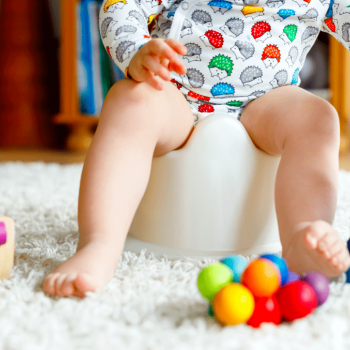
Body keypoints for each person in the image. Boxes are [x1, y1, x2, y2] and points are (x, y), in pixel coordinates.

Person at [43, 0, 350, 298]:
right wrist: (136, 51)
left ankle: (302, 235)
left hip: (270, 102)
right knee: (129, 102)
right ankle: (98, 244)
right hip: (175, 93)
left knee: (318, 119)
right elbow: (123, 6)